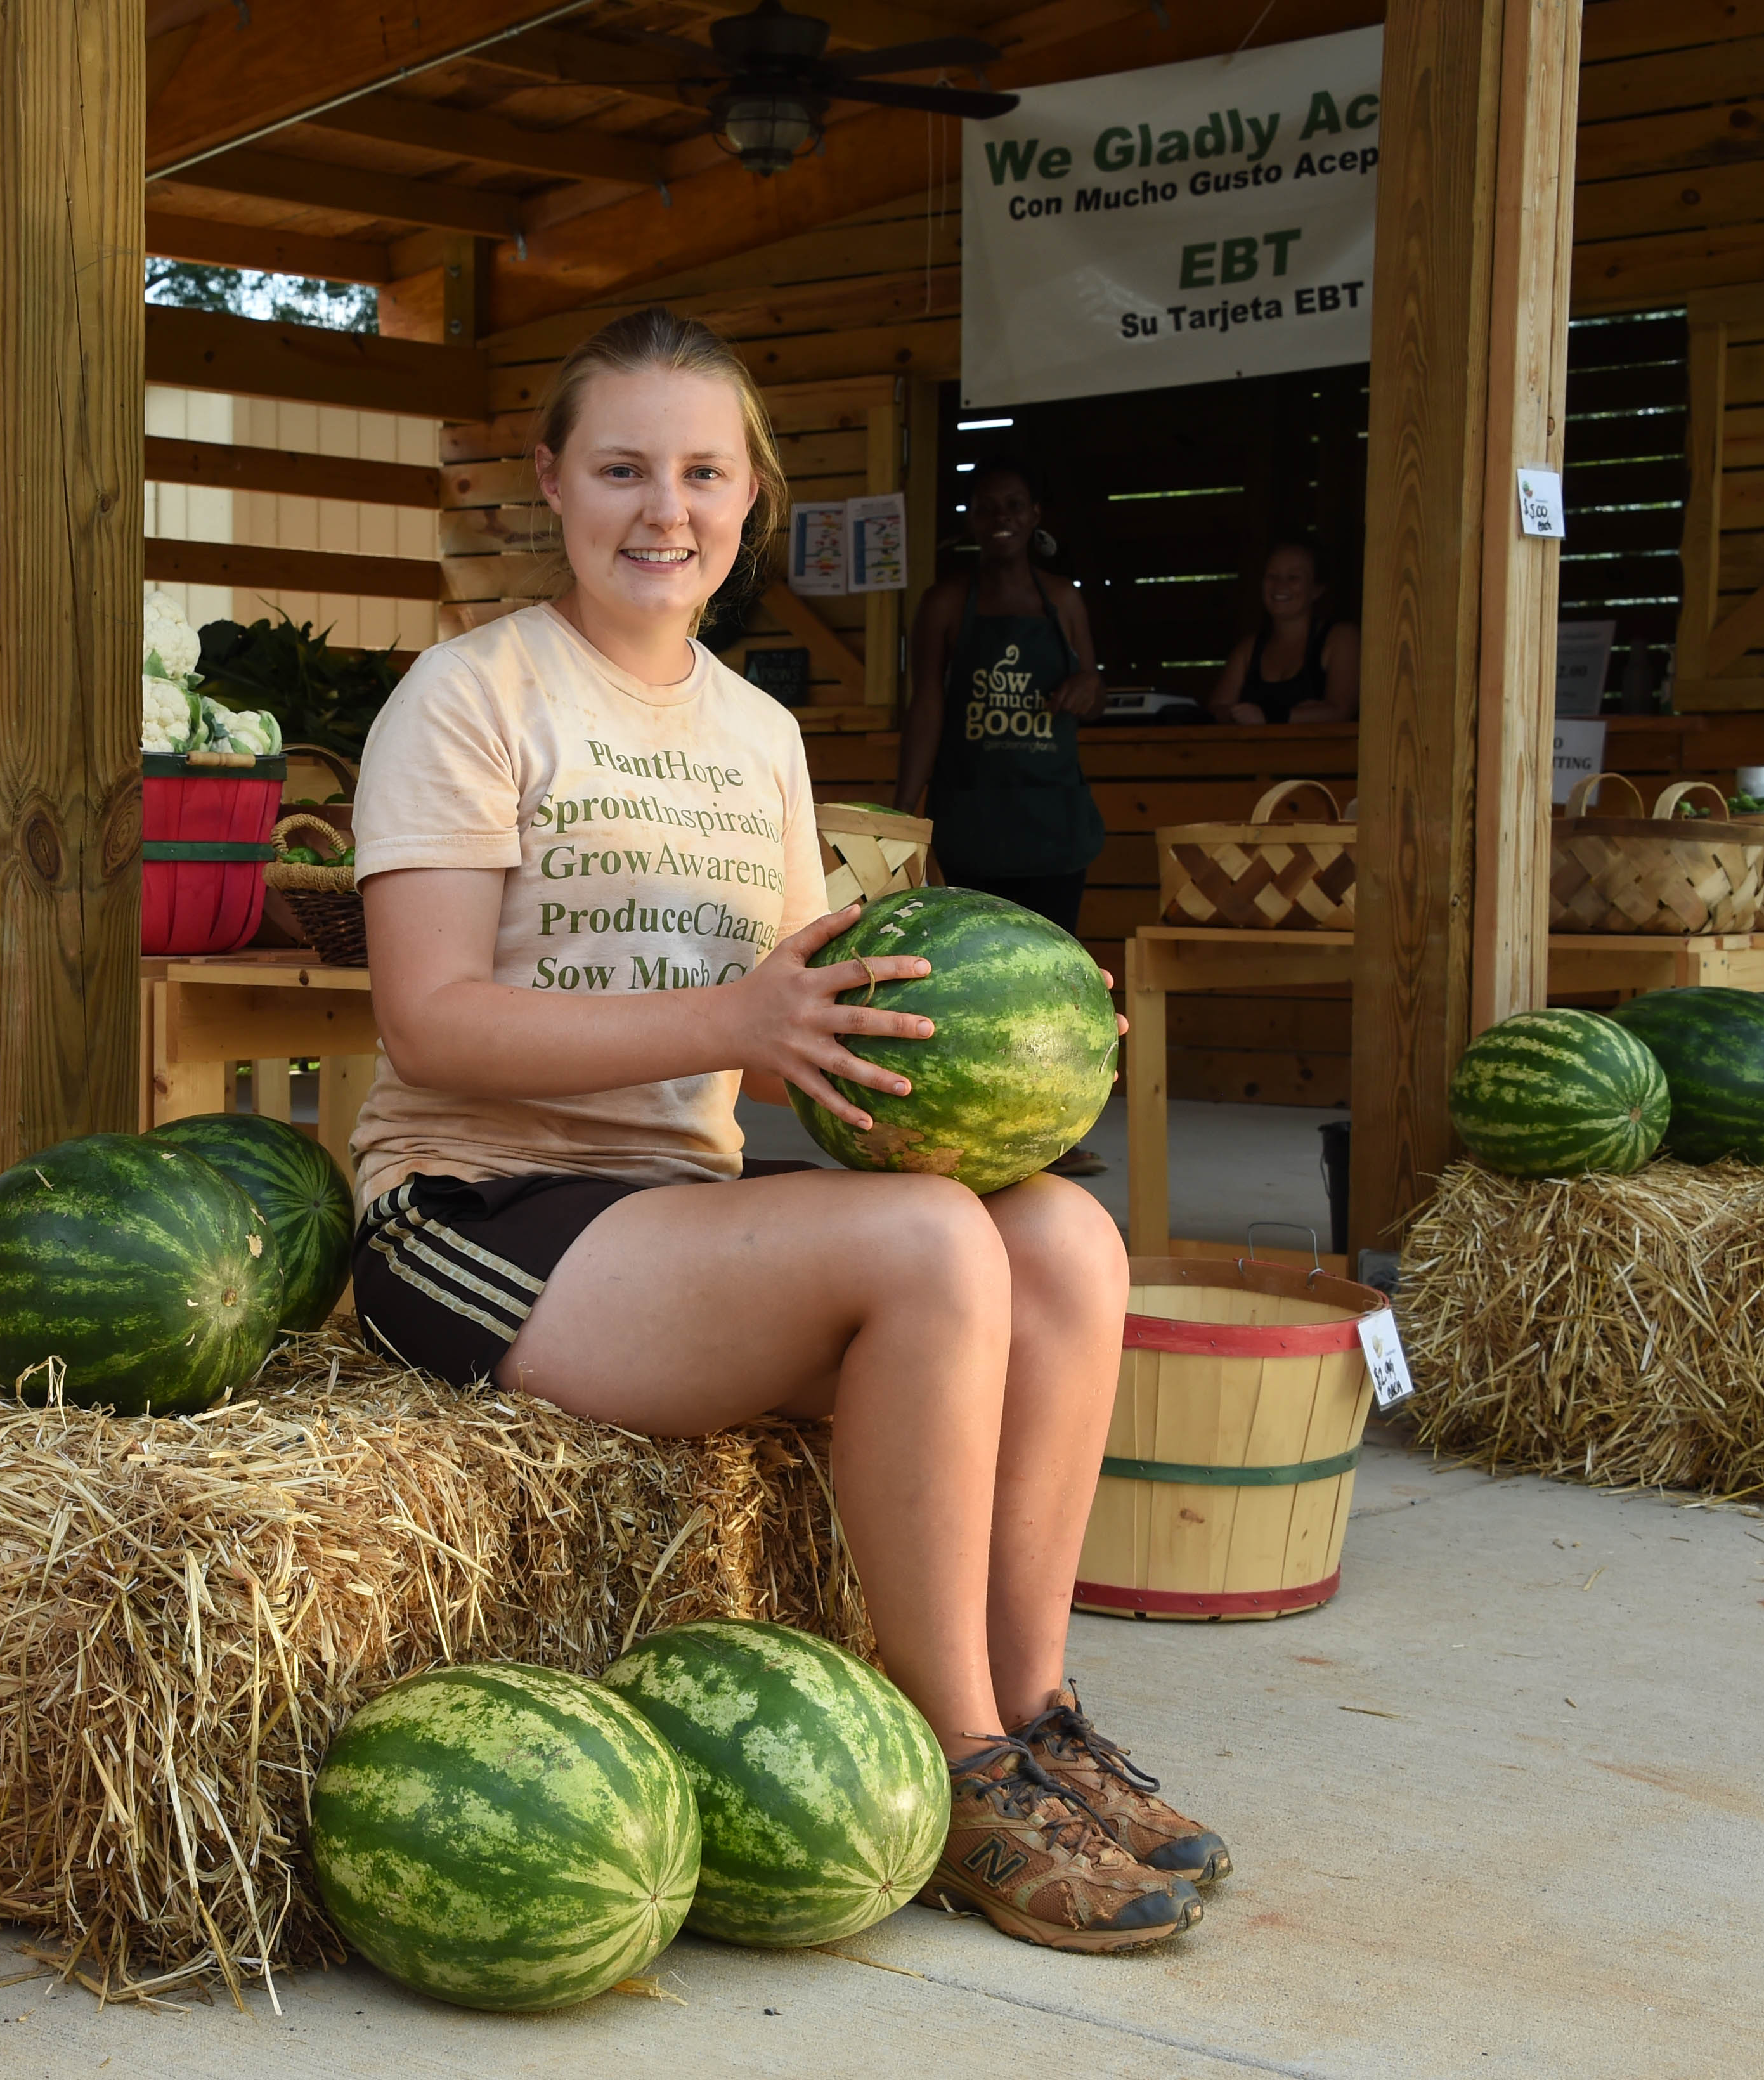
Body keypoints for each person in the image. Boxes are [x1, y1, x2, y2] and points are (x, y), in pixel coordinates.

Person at [346, 308, 1224, 1957]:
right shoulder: (470, 696)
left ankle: (1036, 1715)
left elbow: (795, 1039)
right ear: (552, 482)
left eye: (700, 472)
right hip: (479, 1214)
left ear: (749, 495)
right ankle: (956, 1765)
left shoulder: (758, 735)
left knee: (1060, 1234)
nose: (662, 509)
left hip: (681, 1211)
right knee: (926, 1242)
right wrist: (729, 1025)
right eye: (622, 468)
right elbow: (430, 1020)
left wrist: (1012, 1039)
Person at [893, 464, 1107, 937]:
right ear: (971, 520)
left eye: (1014, 506)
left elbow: (1095, 700)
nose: (1001, 518)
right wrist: (904, 811)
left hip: (1054, 824)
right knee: (972, 955)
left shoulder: (1063, 599)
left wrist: (1088, 686)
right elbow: (926, 705)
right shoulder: (945, 602)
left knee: (1053, 957)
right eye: (986, 509)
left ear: (1035, 515)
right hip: (973, 822)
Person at [1210, 538, 1360, 724]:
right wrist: (1235, 715)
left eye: (1293, 578)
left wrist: (1269, 717)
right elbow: (1217, 709)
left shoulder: (1342, 638)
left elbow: (1341, 711)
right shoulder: (1248, 649)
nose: (1280, 585)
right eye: (1272, 576)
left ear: (1317, 589)